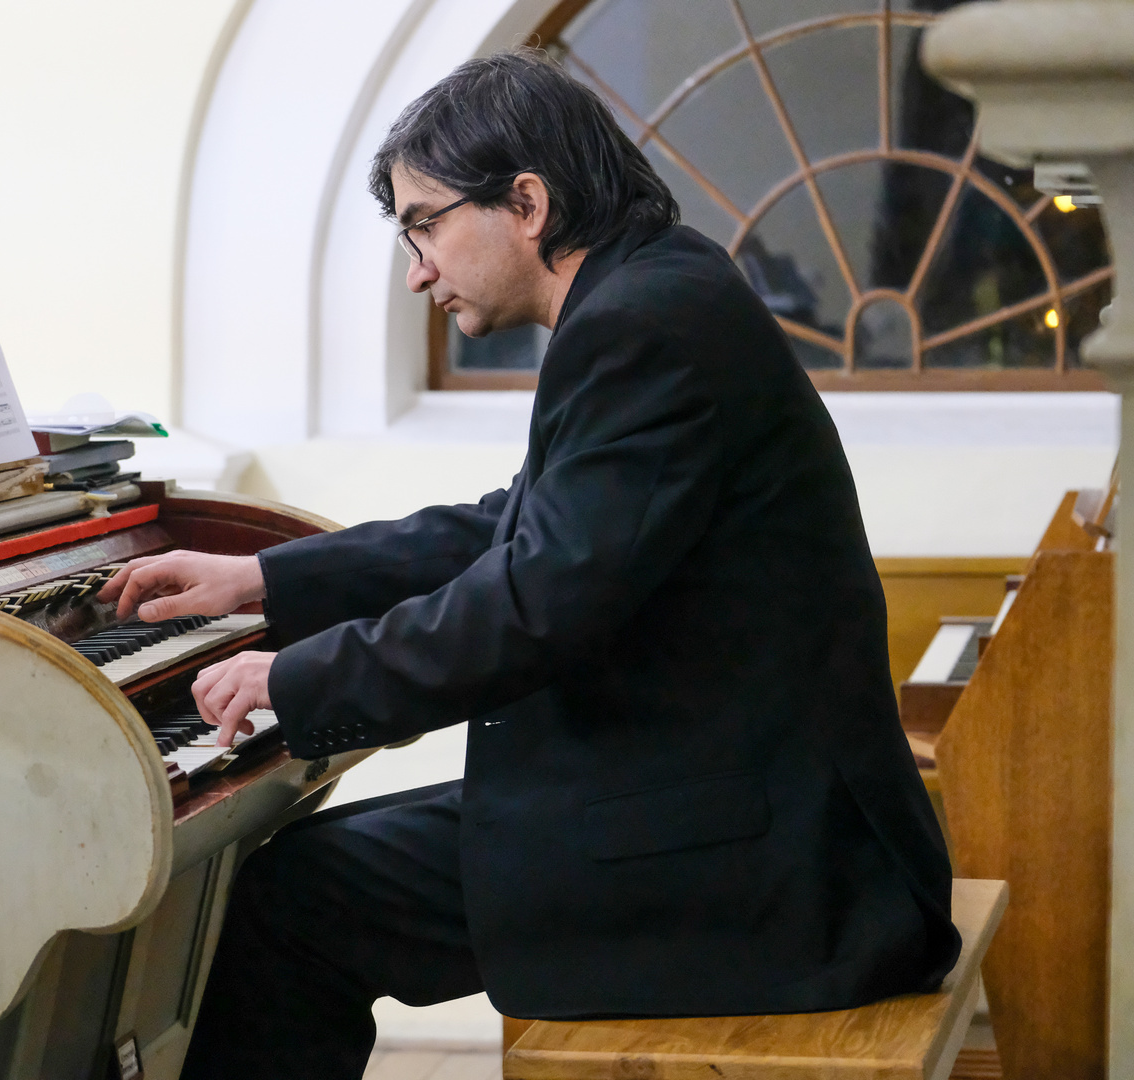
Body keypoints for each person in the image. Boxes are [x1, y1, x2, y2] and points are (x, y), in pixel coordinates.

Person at [97, 48, 959, 1080]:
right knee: (294, 875)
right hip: (728, 801)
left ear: (528, 203)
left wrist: (297, 677)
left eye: (424, 224)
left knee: (291, 902)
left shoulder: (643, 323)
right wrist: (267, 580)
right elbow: (512, 527)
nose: (417, 270)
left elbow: (536, 604)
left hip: (754, 866)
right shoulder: (657, 288)